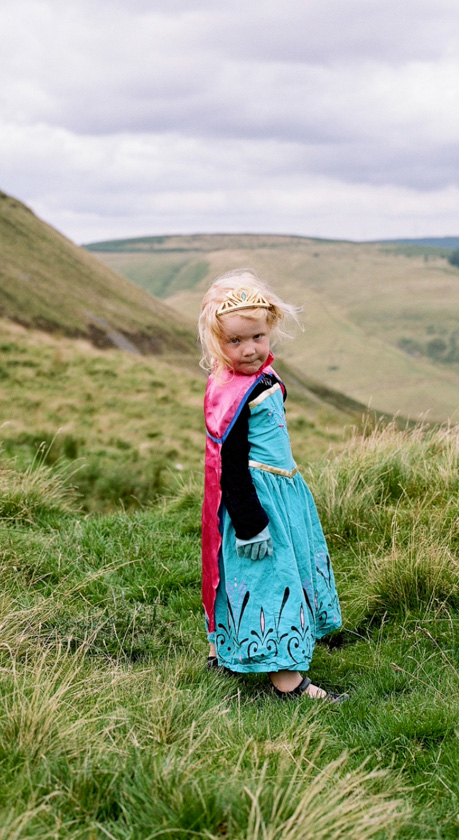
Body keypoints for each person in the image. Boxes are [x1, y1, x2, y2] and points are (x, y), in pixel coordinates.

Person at [198, 270, 347, 703]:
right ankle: (287, 682)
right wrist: (250, 523)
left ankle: (226, 652)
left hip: (282, 493)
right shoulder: (235, 392)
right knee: (270, 580)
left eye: (257, 337)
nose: (249, 349)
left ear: (271, 330)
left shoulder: (255, 378)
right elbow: (230, 465)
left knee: (269, 574)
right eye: (235, 341)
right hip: (258, 501)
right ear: (216, 342)